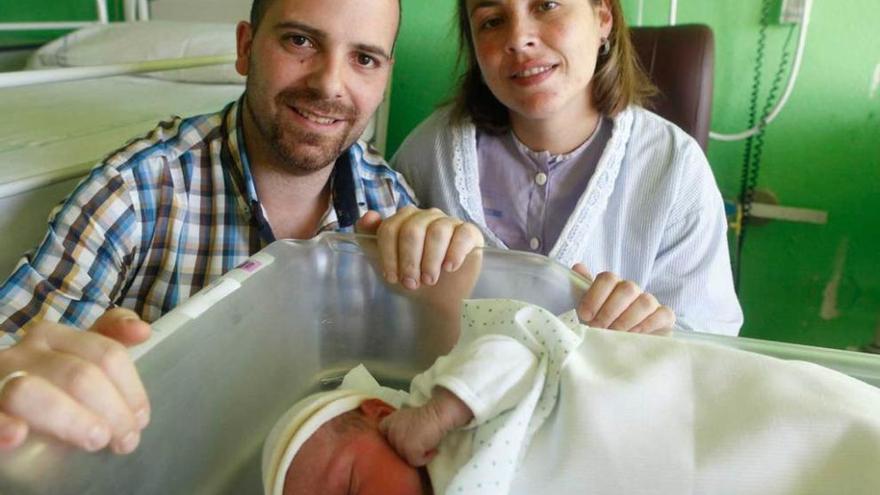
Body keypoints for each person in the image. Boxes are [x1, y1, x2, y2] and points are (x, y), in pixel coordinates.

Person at [0, 0, 483, 456]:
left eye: (364, 58)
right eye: (300, 41)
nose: (329, 84)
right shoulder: (136, 192)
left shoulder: (390, 201)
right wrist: (12, 381)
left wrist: (446, 295)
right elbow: (16, 345)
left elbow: (418, 389)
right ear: (246, 48)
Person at [264, 299, 880, 495]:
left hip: (665, 421)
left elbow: (522, 348)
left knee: (802, 441)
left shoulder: (436, 402)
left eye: (347, 488)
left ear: (377, 414)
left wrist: (441, 410)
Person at [391, 0, 744, 335]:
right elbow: (386, 320)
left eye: (546, 5)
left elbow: (707, 344)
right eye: (493, 21)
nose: (518, 40)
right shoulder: (429, 155)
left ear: (603, 16)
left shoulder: (674, 168)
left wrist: (649, 340)